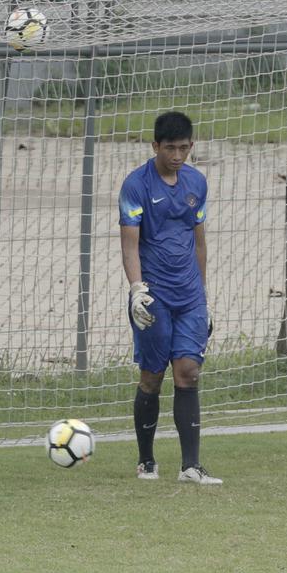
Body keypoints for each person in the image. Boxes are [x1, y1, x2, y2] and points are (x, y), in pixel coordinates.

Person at [118, 111, 220, 485]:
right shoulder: (136, 185)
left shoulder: (197, 183)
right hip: (154, 296)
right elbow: (129, 245)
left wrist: (203, 297)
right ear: (155, 146)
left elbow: (199, 241)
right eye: (170, 148)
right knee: (152, 375)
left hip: (190, 295)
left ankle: (191, 465)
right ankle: (146, 460)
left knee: (189, 372)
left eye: (184, 148)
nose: (177, 155)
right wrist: (136, 290)